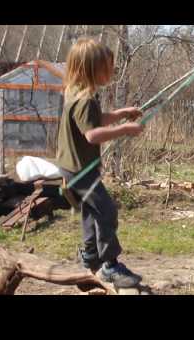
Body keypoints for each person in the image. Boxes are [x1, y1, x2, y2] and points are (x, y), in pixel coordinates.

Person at [56, 38, 144, 288]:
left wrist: (120, 114)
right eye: (108, 66)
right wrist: (124, 129)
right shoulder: (85, 100)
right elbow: (92, 134)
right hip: (80, 170)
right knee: (106, 210)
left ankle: (89, 256)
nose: (112, 71)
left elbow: (95, 120)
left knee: (92, 211)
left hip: (73, 167)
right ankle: (110, 265)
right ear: (91, 69)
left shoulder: (75, 93)